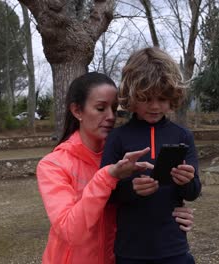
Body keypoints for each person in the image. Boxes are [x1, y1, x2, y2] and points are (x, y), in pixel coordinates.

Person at [36, 72, 195, 264]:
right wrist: (108, 176)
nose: (111, 117)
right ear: (77, 111)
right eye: (101, 108)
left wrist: (173, 212)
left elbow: (135, 202)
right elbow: (70, 231)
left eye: (114, 108)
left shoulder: (122, 155)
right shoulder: (53, 165)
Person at [101, 47, 201, 264]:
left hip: (174, 248)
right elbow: (106, 195)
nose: (155, 106)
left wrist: (187, 181)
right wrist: (131, 189)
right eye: (146, 98)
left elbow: (193, 192)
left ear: (173, 96)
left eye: (163, 98)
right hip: (130, 251)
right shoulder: (117, 138)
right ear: (132, 96)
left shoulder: (183, 136)